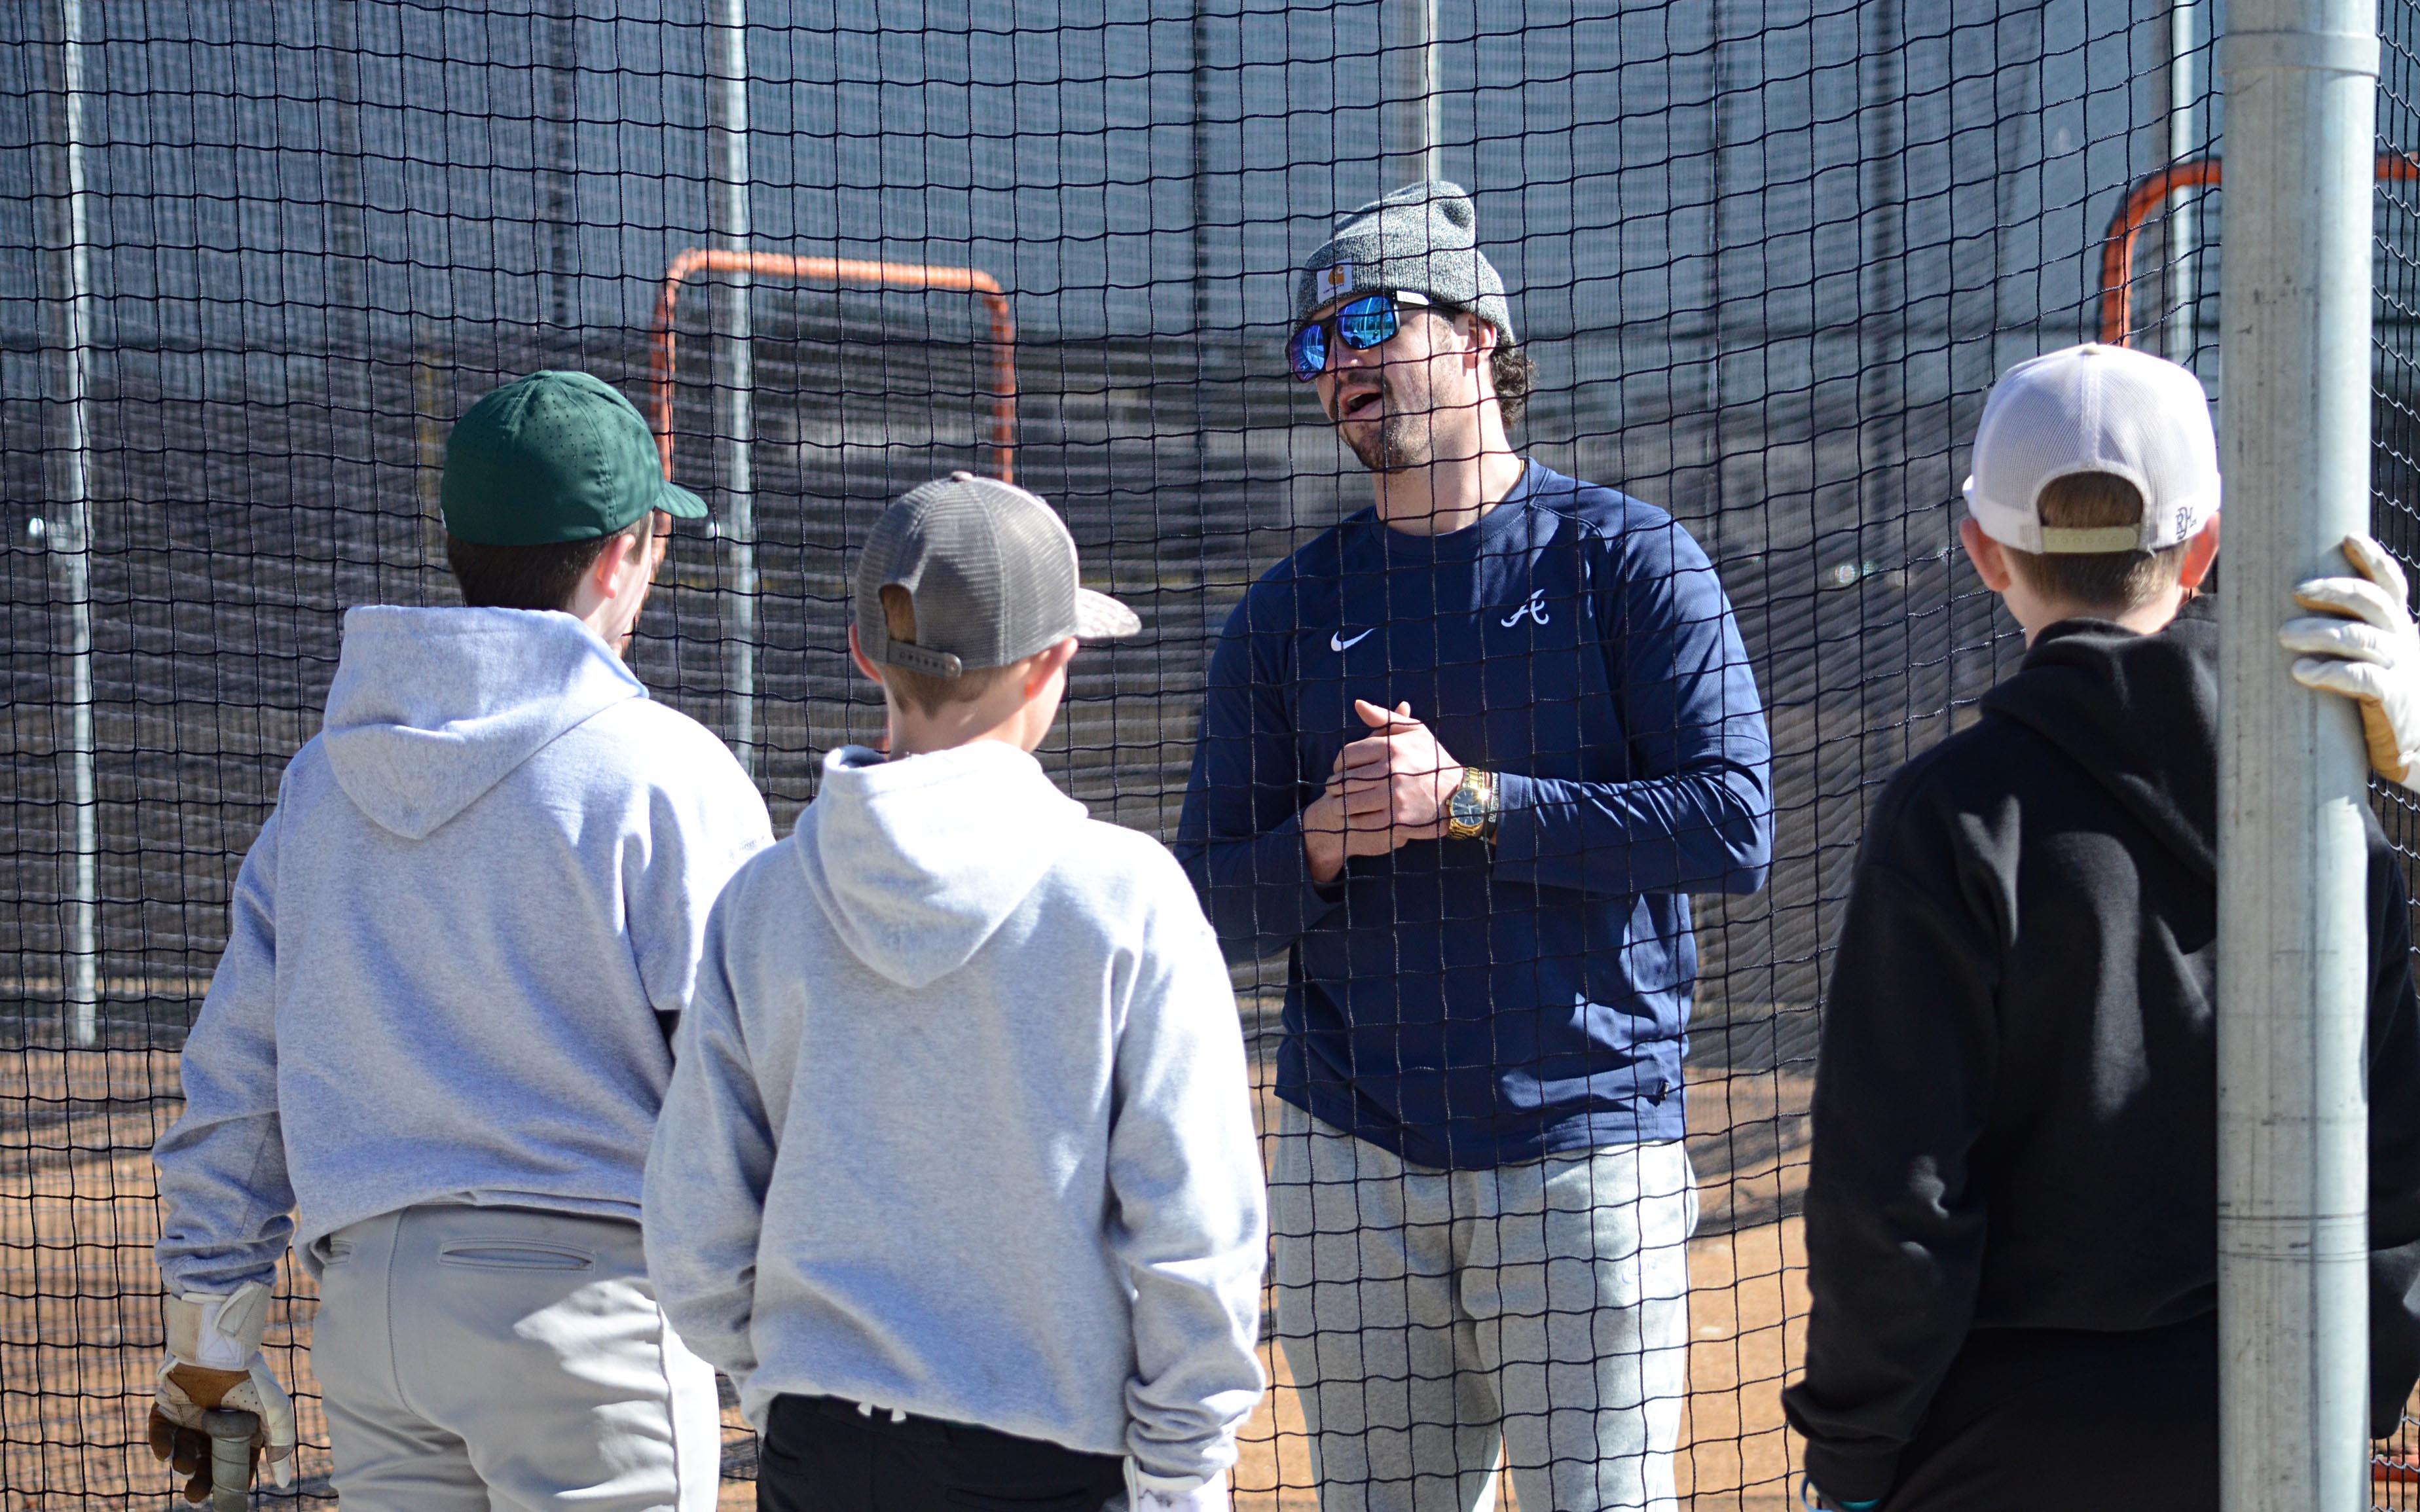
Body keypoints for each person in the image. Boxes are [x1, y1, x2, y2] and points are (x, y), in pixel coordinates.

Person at [1174, 181, 1774, 1512]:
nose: (1340, 363)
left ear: (1478, 339)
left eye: (1371, 321)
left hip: (1583, 1155)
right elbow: (1207, 901)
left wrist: (1476, 801)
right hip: (1353, 1163)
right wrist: (1325, 835)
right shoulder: (1287, 614)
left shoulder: (1629, 561)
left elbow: (1734, 822)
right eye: (1317, 343)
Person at [1781, 342, 2420, 1511]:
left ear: (1982, 550)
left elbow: (1890, 1195)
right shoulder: (2331, 813)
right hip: (2277, 1424)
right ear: (2207, 545)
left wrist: (1856, 1458)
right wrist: (2351, 1397)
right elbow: (2403, 1156)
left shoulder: (1954, 812)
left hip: (1991, 1444)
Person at [149, 370, 773, 1510]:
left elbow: (240, 1081)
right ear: (621, 555)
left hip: (378, 1325)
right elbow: (750, 1083)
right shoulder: (668, 770)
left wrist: (211, 1335)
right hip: (590, 1319)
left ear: (457, 540)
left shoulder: (323, 782)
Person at [642, 473, 1268, 1512]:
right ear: (1051, 663)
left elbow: (694, 1225)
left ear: (862, 652)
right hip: (1053, 1464)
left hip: (824, 1456)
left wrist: (787, 1383)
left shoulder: (761, 900)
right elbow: (1198, 1237)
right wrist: (1181, 1482)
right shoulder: (1127, 896)